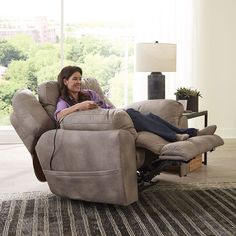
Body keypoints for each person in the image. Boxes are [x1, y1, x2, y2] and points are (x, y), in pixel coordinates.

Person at [54, 66, 217, 142]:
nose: (78, 82)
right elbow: (59, 117)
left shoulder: (90, 94)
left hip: (114, 118)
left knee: (148, 116)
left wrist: (115, 113)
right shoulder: (64, 102)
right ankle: (181, 135)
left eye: (79, 78)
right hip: (104, 127)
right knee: (132, 113)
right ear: (65, 81)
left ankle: (186, 133)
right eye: (74, 79)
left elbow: (111, 109)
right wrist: (80, 106)